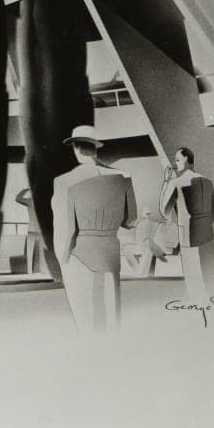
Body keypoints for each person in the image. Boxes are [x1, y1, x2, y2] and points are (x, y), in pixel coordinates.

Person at [51, 125, 137, 334]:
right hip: (110, 253)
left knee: (86, 319)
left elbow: (66, 229)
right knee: (111, 316)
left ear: (76, 148)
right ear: (96, 148)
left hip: (80, 256)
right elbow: (131, 220)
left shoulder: (63, 181)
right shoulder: (123, 177)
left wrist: (62, 260)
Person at [159, 146, 214, 304]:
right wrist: (204, 224)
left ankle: (201, 316)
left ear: (186, 159)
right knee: (211, 278)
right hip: (207, 237)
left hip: (188, 238)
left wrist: (166, 182)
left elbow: (164, 211)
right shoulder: (208, 181)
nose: (176, 163)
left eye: (178, 160)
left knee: (194, 283)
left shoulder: (176, 183)